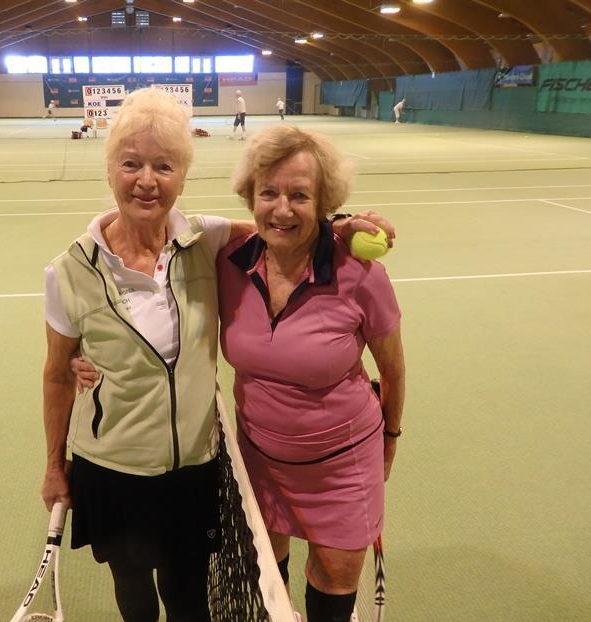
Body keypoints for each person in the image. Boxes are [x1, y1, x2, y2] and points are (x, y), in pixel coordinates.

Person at [45, 87, 395, 621]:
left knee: (191, 596)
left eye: (164, 165)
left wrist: (339, 226)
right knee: (133, 588)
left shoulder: (204, 241)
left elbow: (282, 230)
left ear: (182, 178)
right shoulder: (70, 271)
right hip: (116, 464)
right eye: (131, 164)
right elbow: (55, 374)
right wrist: (54, 462)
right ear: (110, 169)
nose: (147, 180)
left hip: (198, 466)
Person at [218, 124, 405, 622]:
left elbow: (393, 367)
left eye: (300, 195)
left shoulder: (361, 274)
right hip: (260, 459)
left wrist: (391, 435)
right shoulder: (228, 260)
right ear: (250, 197)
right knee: (267, 587)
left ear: (323, 203)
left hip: (341, 466)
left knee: (332, 589)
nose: (282, 209)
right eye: (269, 193)